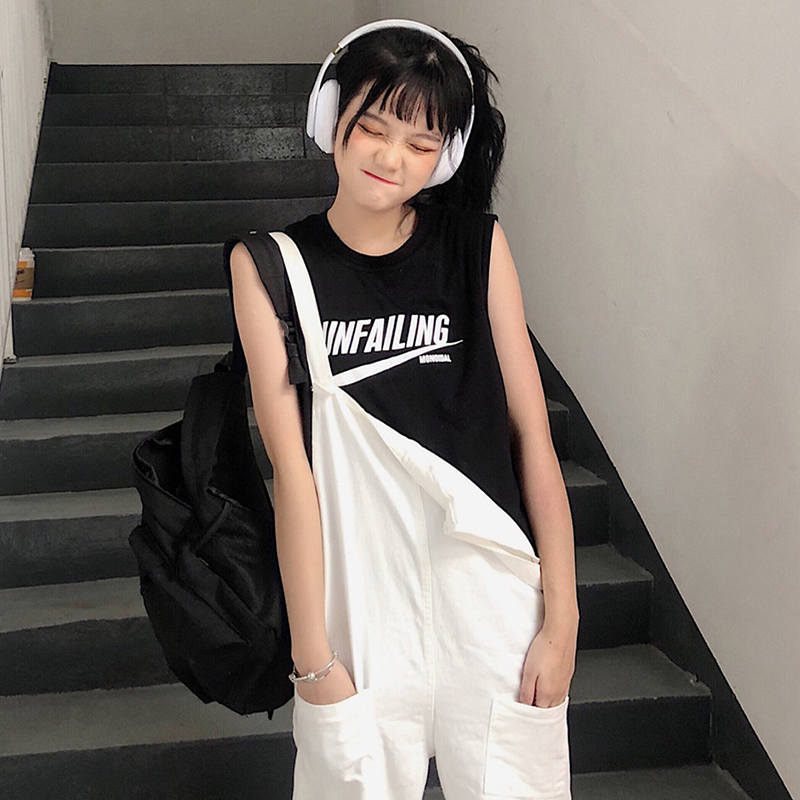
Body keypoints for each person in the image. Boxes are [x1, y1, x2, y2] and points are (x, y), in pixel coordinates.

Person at [229, 18, 579, 800]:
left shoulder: (476, 248)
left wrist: (562, 621)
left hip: (493, 602)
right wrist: (313, 659)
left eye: (421, 143)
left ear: (446, 156)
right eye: (374, 128)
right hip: (360, 611)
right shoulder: (273, 267)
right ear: (332, 117)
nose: (391, 158)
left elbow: (532, 437)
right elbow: (293, 473)